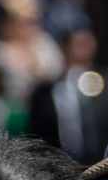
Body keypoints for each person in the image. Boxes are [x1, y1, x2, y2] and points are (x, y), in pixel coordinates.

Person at [29, 25, 108, 169]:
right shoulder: (45, 93)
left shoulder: (104, 84)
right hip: (63, 171)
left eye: (88, 43)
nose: (85, 49)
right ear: (64, 47)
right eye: (79, 44)